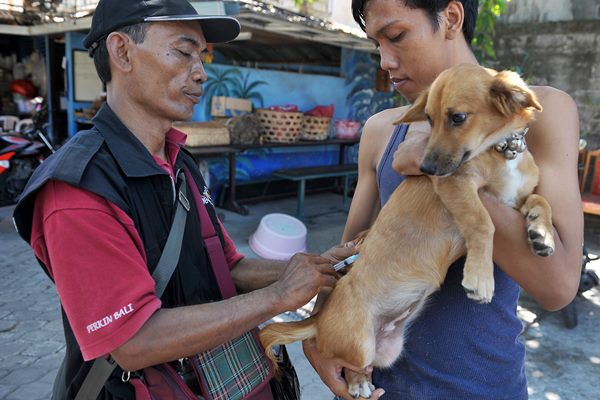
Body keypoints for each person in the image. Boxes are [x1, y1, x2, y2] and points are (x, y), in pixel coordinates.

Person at [12, 0, 354, 398]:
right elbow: (133, 341)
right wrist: (278, 296)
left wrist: (308, 269)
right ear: (122, 51)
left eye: (202, 56)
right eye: (183, 51)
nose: (201, 72)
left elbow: (225, 265)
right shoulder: (78, 189)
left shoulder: (178, 162)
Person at [302, 0, 584, 399]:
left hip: (484, 386)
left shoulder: (537, 111)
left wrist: (440, 164)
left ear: (451, 18)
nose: (384, 60)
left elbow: (557, 286)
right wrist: (319, 333)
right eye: (376, 44)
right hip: (384, 386)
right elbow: (347, 258)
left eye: (396, 36)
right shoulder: (382, 130)